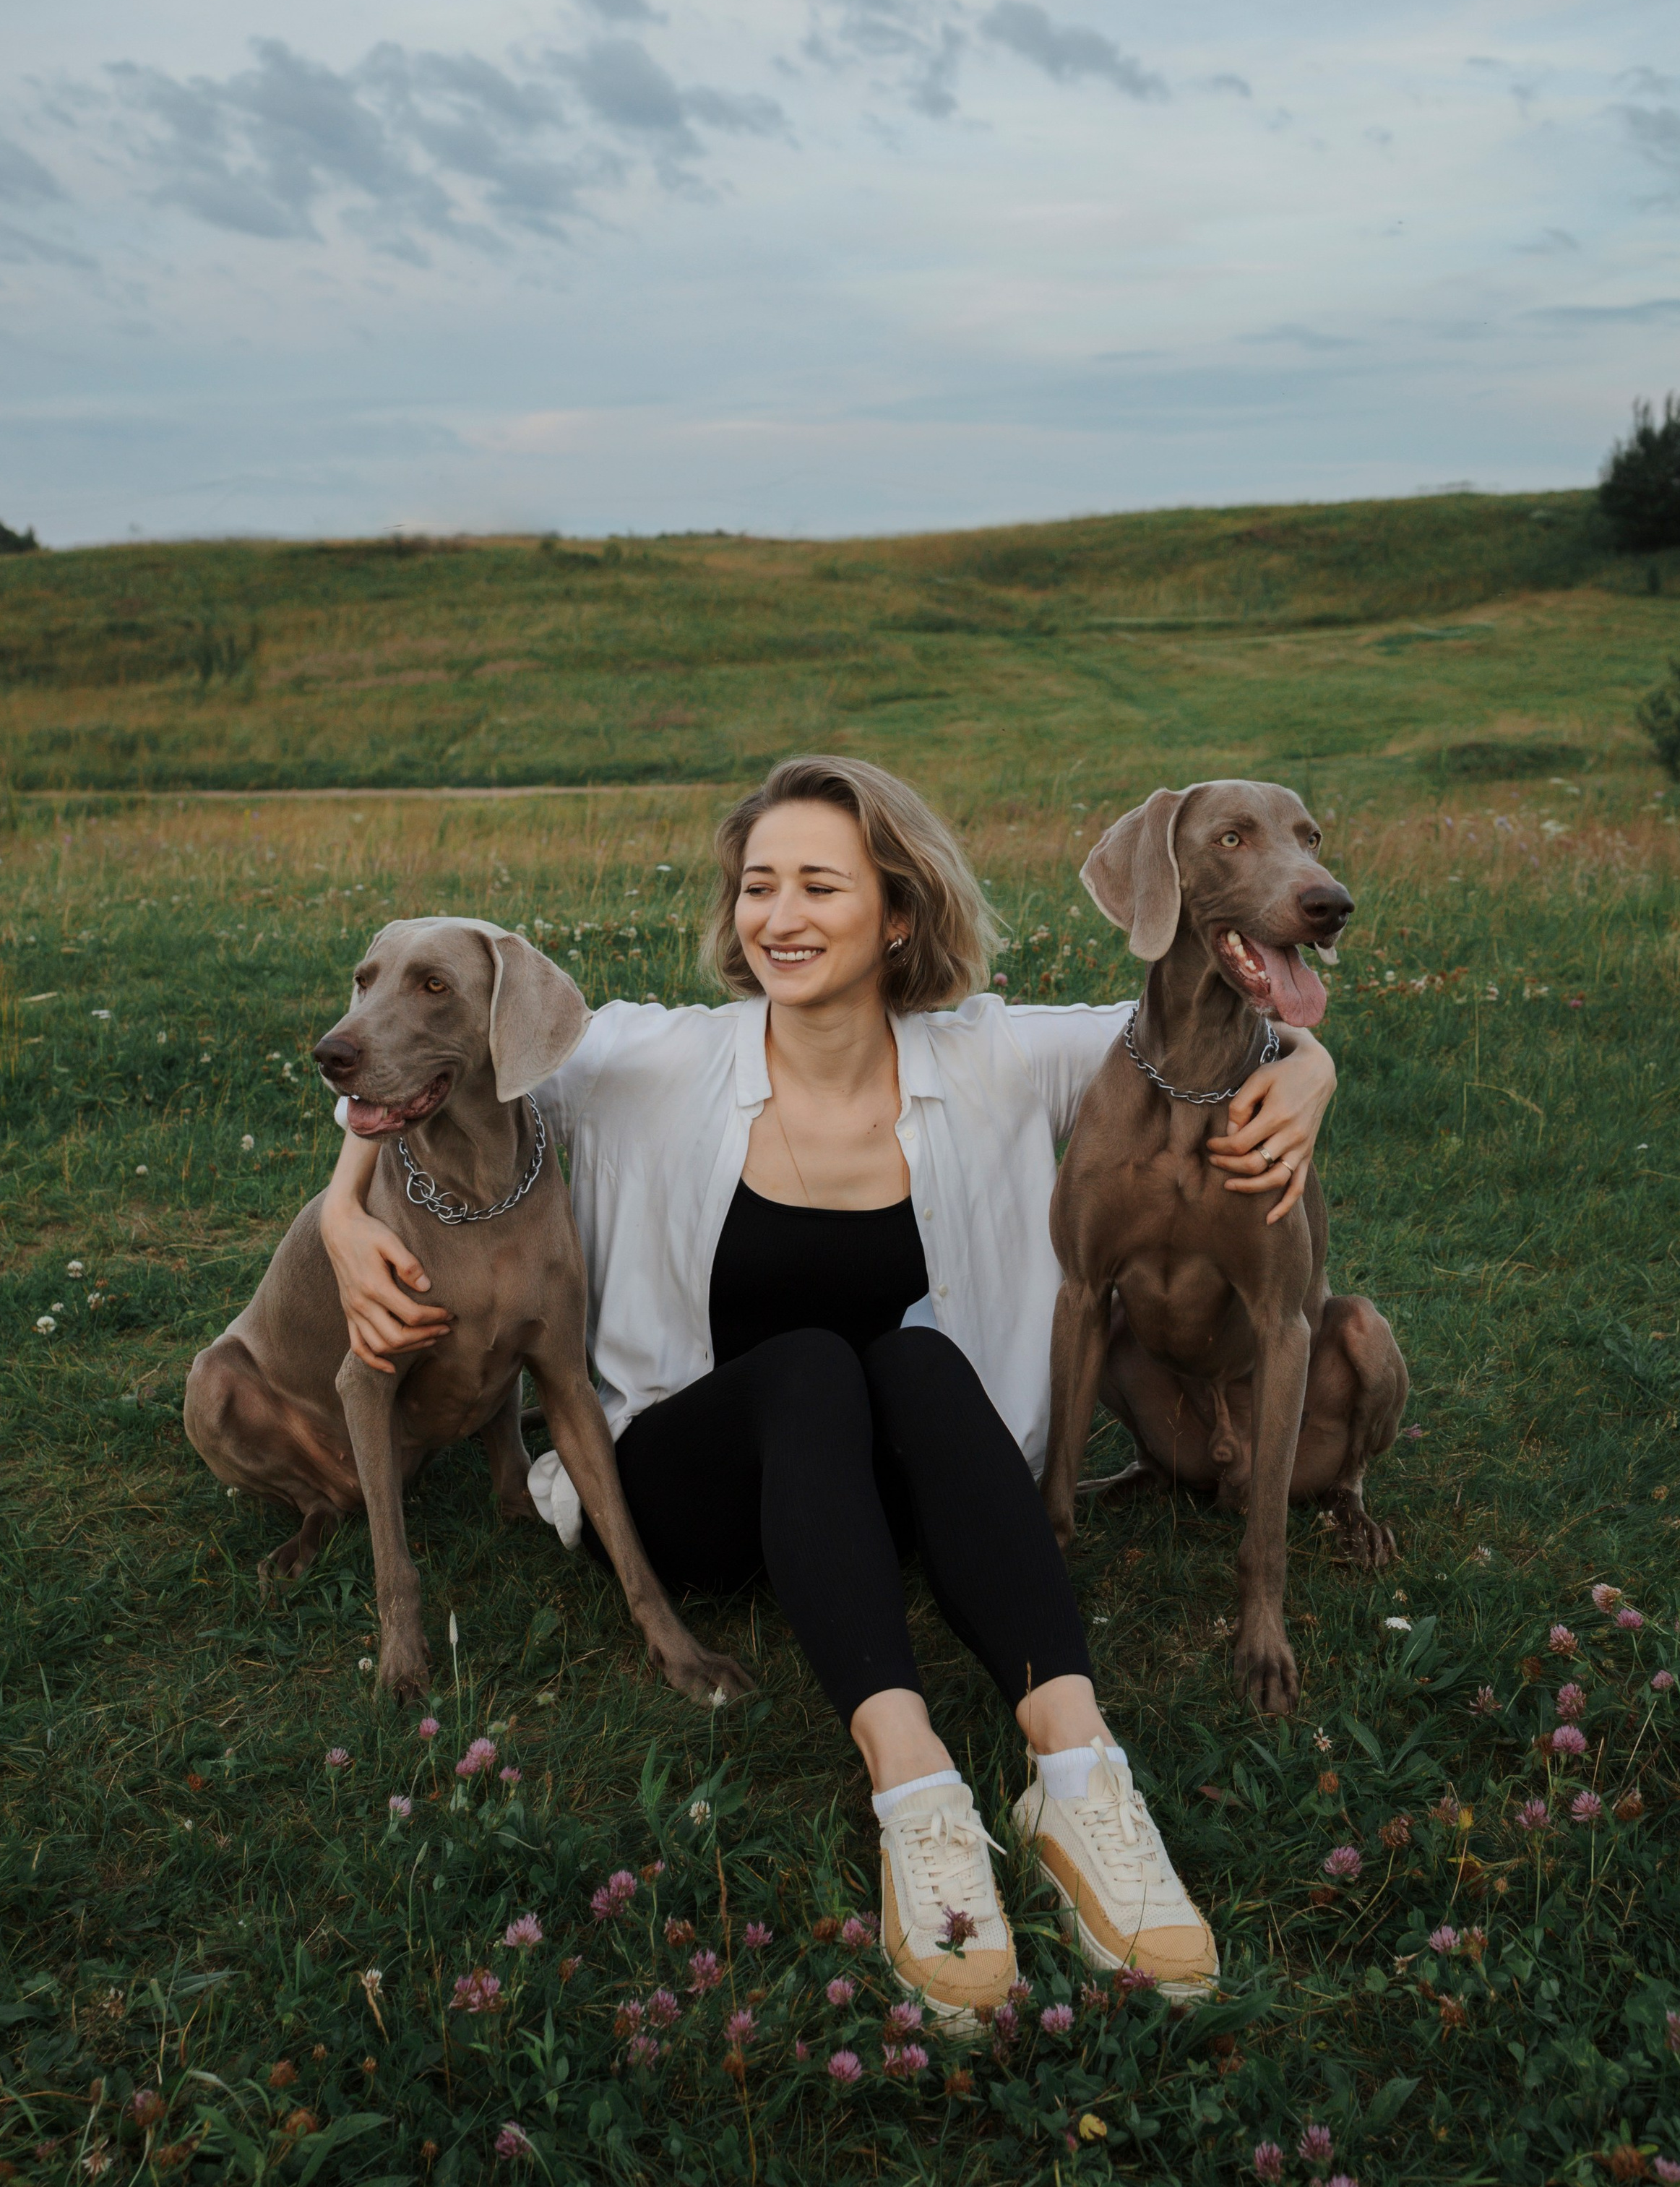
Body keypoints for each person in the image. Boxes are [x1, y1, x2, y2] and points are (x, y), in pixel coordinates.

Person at [318, 757, 1336, 2027]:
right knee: (807, 1362)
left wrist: (1308, 1068)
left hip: (905, 1491)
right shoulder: (647, 1059)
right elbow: (414, 1065)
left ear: (897, 912)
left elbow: (1214, 1024)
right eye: (758, 887)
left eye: (819, 885)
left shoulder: (995, 1056)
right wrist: (341, 1217)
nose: (778, 916)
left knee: (911, 1359)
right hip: (694, 1491)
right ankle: (917, 1797)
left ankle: (1083, 1779)